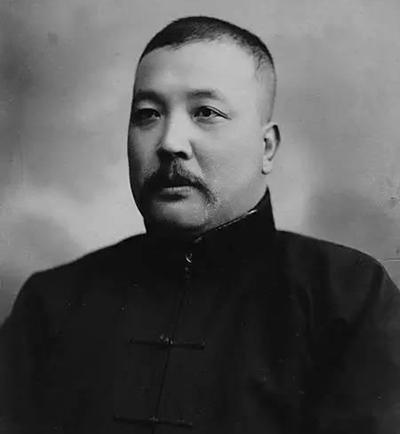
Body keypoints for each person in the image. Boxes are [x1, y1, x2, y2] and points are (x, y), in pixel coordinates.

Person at [1, 15, 400, 434]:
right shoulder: (49, 305)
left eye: (206, 112)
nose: (170, 143)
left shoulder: (350, 298)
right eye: (148, 114)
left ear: (266, 148)